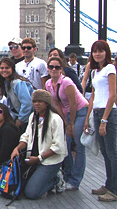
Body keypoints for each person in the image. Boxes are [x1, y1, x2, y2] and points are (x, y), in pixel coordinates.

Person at [11, 90, 67, 199]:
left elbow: (59, 146)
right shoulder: (33, 116)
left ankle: (56, 179)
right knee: (20, 187)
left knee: (31, 193)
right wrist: (17, 149)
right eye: (35, 101)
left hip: (49, 161)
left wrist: (39, 158)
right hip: (33, 158)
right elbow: (26, 136)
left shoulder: (55, 119)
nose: (36, 104)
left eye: (40, 101)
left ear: (46, 103)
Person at [45, 56, 88, 190]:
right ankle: (67, 176)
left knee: (79, 145)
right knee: (66, 145)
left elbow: (73, 103)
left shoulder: (67, 82)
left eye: (57, 67)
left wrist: (72, 124)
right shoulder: (48, 84)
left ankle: (75, 180)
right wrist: (65, 122)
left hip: (80, 111)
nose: (54, 69)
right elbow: (56, 104)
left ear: (61, 69)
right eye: (51, 67)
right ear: (48, 68)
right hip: (66, 113)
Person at [83, 40, 117, 202]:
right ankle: (109, 184)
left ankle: (114, 189)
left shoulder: (110, 69)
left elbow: (113, 95)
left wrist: (104, 120)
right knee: (104, 152)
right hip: (96, 112)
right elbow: (93, 96)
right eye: (95, 51)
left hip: (107, 113)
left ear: (107, 53)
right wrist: (87, 119)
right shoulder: (96, 72)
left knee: (112, 152)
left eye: (101, 51)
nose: (97, 54)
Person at [0, 57, 34, 132]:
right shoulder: (6, 83)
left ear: (12, 69)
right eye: (2, 68)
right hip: (18, 117)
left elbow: (27, 103)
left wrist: (20, 120)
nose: (4, 70)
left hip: (28, 119)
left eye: (7, 68)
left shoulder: (18, 83)